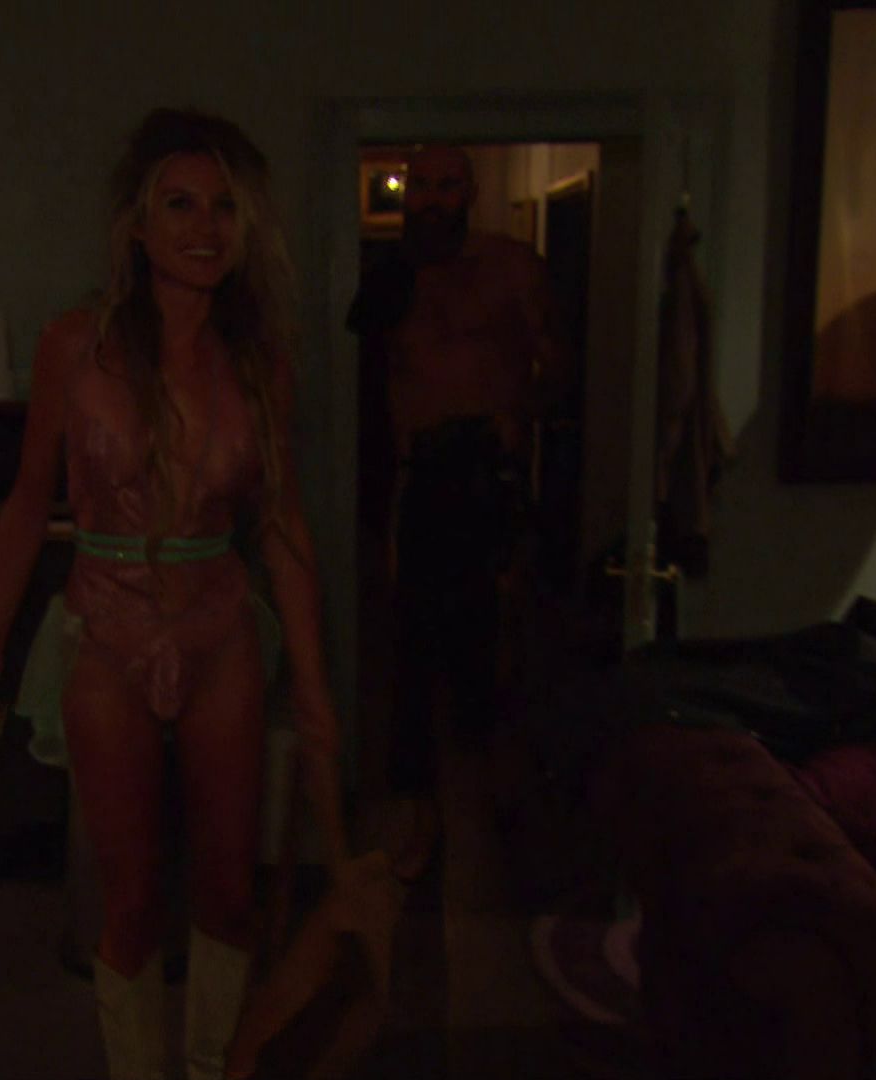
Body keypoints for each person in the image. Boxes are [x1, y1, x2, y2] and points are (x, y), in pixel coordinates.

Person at [0, 108, 351, 1080]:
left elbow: (283, 526)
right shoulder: (73, 345)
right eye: (179, 204)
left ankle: (212, 1067)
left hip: (220, 628)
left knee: (228, 892)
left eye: (224, 207)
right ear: (137, 223)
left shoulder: (258, 362)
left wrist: (314, 692)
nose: (204, 227)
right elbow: (28, 501)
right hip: (105, 629)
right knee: (129, 900)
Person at [348, 145, 566, 879]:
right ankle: (416, 819)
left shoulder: (511, 267)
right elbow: (372, 387)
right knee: (409, 652)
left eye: (448, 186)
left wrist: (514, 415)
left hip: (490, 478)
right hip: (420, 481)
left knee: (492, 647)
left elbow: (556, 368)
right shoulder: (389, 281)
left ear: (469, 192)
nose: (433, 200)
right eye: (421, 186)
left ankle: (497, 822)